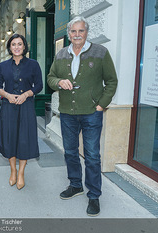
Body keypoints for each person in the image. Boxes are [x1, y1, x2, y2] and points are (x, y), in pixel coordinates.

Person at [47, 16, 118, 217]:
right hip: (68, 113)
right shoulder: (61, 54)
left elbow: (111, 81)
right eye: (73, 31)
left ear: (87, 32)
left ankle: (94, 195)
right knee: (70, 152)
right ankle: (75, 185)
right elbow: (50, 78)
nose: (77, 35)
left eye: (81, 31)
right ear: (68, 33)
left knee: (92, 155)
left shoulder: (100, 52)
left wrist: (101, 105)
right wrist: (59, 82)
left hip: (91, 114)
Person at [0, 34, 43, 190]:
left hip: (26, 106)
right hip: (8, 107)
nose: (16, 47)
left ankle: (21, 172)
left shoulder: (33, 64)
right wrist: (7, 95)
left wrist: (26, 94)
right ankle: (13, 170)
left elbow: (39, 85)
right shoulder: (2, 66)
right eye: (13, 44)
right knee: (9, 138)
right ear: (9, 47)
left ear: (24, 46)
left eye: (19, 44)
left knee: (24, 139)